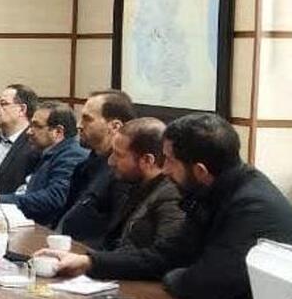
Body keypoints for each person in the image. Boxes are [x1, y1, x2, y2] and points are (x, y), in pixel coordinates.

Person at [158, 113, 292, 299]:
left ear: (200, 171)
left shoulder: (252, 205)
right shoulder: (210, 189)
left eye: (170, 161)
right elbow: (174, 253)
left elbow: (202, 285)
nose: (164, 169)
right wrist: (111, 262)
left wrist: (169, 275)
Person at [37, 118, 189, 281]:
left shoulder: (171, 195)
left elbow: (165, 259)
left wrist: (90, 262)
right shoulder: (133, 185)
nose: (110, 162)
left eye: (118, 155)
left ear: (147, 160)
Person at [0, 101, 87, 226]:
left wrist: (0, 200)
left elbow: (54, 198)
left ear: (58, 132)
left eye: (36, 126)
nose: (29, 132)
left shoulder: (71, 155)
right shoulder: (46, 152)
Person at [56, 89, 136, 244]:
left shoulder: (122, 174)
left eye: (87, 119)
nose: (79, 125)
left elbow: (112, 237)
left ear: (115, 127)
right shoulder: (84, 166)